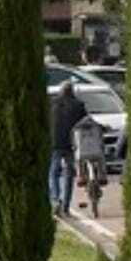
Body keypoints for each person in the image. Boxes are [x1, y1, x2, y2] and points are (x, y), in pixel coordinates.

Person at [49, 80, 87, 217]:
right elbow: (86, 122)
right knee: (69, 173)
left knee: (53, 171)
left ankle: (55, 198)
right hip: (72, 143)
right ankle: (65, 206)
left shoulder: (52, 102)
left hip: (55, 142)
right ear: (72, 91)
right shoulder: (79, 105)